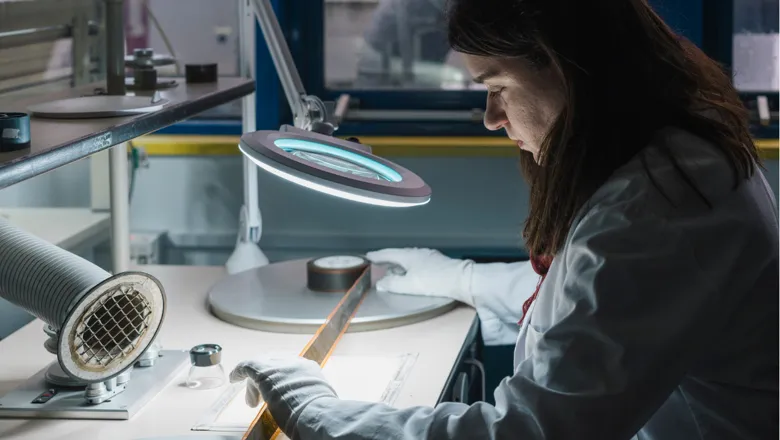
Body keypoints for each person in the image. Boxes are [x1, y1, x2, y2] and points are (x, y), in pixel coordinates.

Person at [230, 0, 779, 439]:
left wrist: (320, 414)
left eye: (497, 88)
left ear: (565, 65)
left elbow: (533, 430)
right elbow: (610, 296)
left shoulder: (662, 205)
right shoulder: (668, 159)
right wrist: (462, 279)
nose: (492, 119)